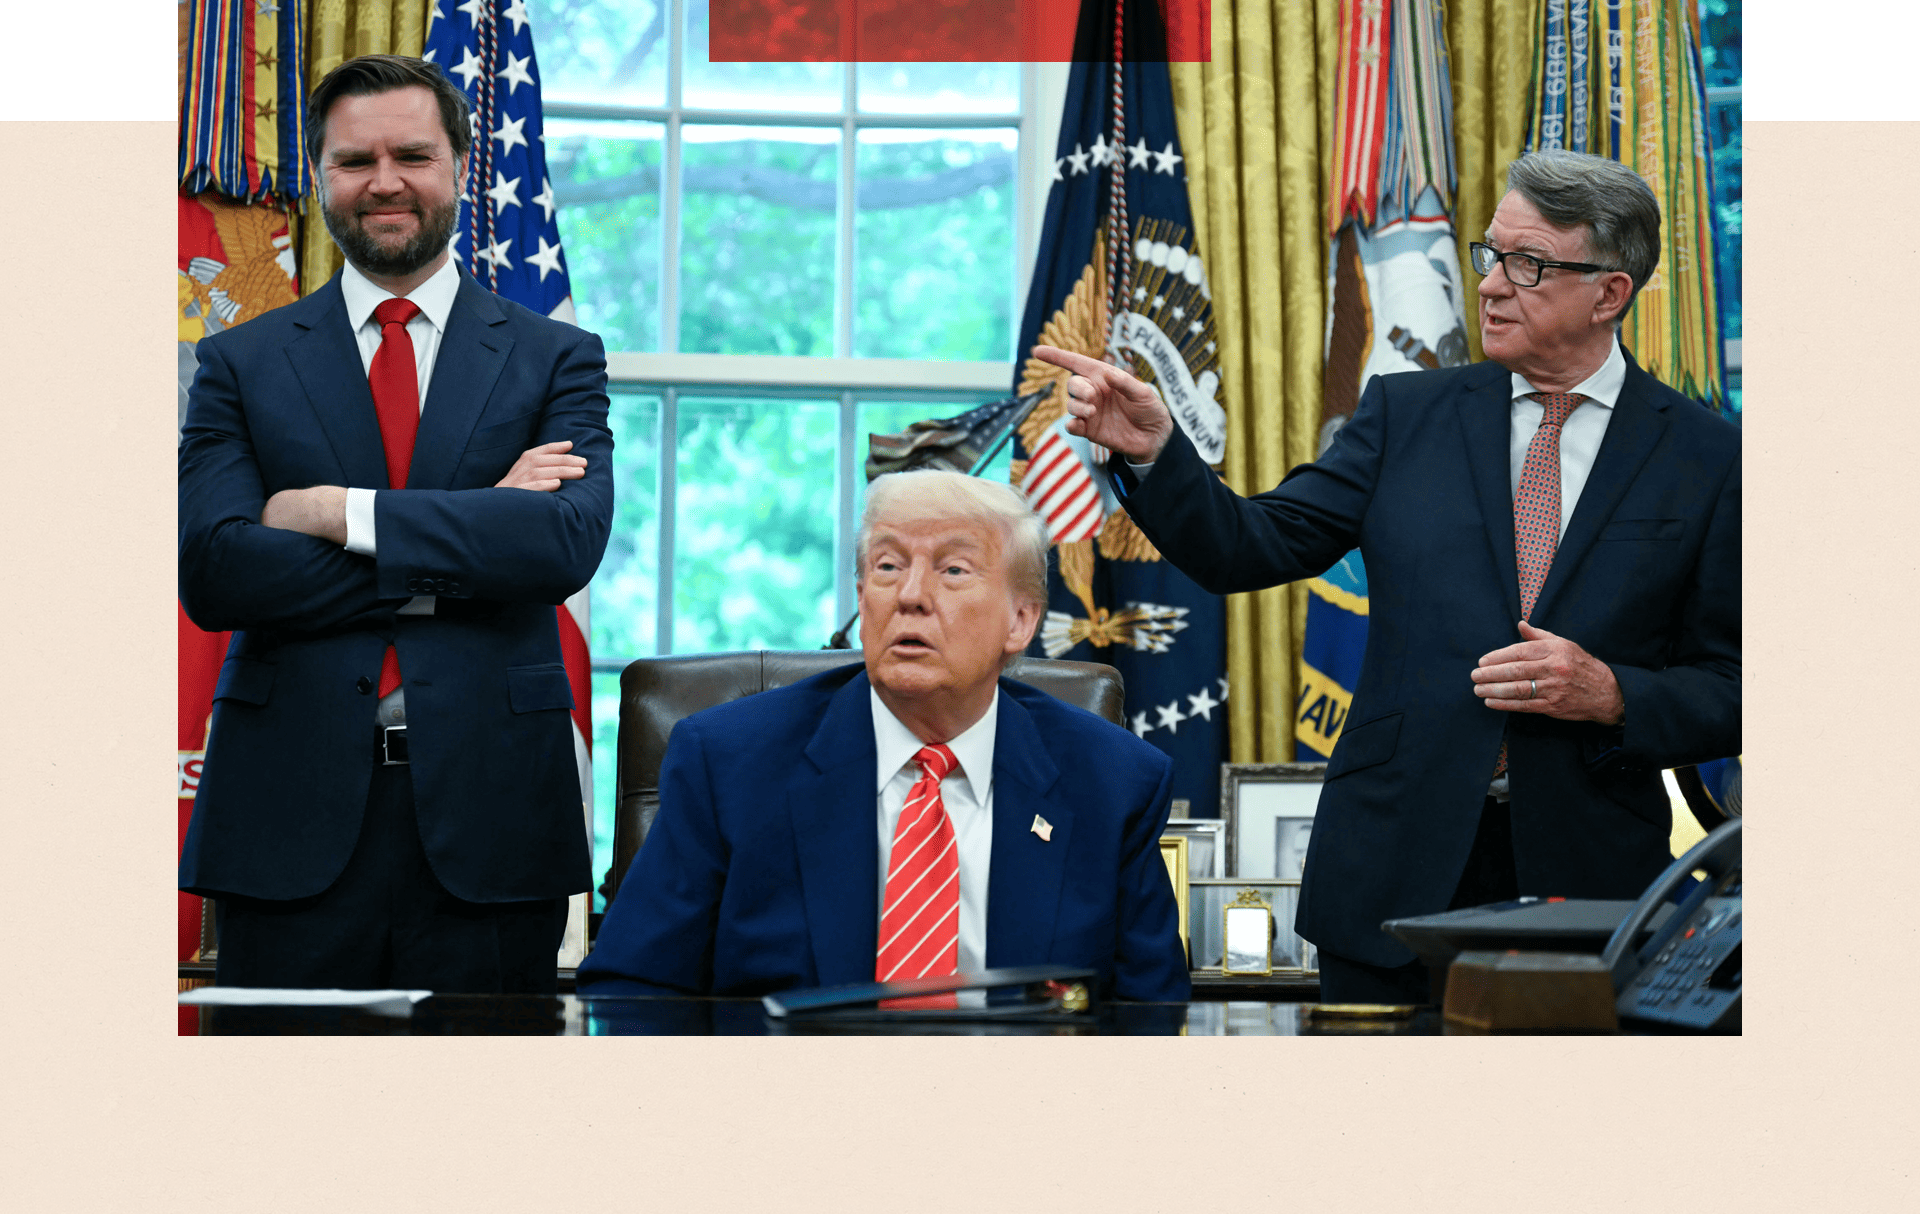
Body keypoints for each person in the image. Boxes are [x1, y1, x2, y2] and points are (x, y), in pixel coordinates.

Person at [1043, 148, 1740, 1004]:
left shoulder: (1708, 458)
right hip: (1390, 877)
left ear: (1609, 294)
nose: (1490, 285)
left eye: (1529, 265)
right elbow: (1246, 546)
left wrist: (1614, 694)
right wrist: (1156, 453)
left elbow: (1735, 687)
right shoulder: (1406, 415)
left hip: (1590, 888)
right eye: (1491, 254)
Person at [177, 55, 614, 993]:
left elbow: (561, 546)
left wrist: (339, 515)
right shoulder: (238, 364)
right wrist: (479, 532)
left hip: (495, 819)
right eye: (353, 160)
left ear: (460, 163)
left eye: (412, 154)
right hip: (284, 813)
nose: (384, 181)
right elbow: (217, 573)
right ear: (321, 175)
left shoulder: (555, 359)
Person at [578, 471, 1190, 1002]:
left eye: (953, 569)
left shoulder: (1111, 783)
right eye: (888, 566)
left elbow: (1149, 1019)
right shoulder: (732, 764)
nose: (911, 595)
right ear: (862, 595)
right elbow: (635, 990)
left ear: (1020, 620)